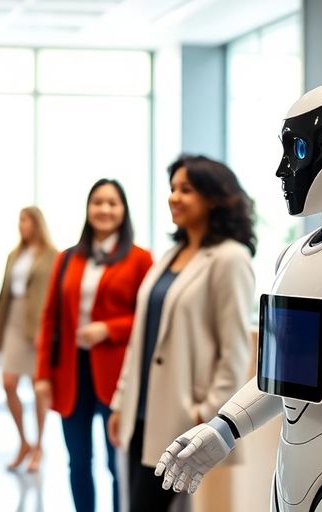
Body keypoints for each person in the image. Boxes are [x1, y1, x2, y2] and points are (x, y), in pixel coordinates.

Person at [108, 156, 256, 512]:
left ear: (214, 198)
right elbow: (142, 339)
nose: (174, 197)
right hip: (140, 415)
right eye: (172, 188)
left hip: (181, 421)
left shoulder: (230, 258)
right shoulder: (171, 255)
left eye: (185, 189)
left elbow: (234, 351)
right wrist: (120, 402)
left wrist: (206, 415)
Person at [34, 179, 153, 512]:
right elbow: (49, 318)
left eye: (112, 203)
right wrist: (42, 374)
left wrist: (108, 329)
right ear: (88, 209)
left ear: (124, 210)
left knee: (117, 464)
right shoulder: (67, 258)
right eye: (98, 202)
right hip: (70, 373)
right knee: (77, 461)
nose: (104, 209)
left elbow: (150, 320)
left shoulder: (140, 259)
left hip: (116, 375)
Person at [0, 207, 58, 472]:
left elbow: (55, 295)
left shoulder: (52, 255)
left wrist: (49, 330)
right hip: (13, 322)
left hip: (37, 325)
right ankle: (23, 441)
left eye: (25, 220)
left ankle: (39, 446)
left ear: (37, 223)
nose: (21, 225)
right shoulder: (14, 255)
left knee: (37, 388)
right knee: (8, 383)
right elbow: (3, 294)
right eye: (19, 220)